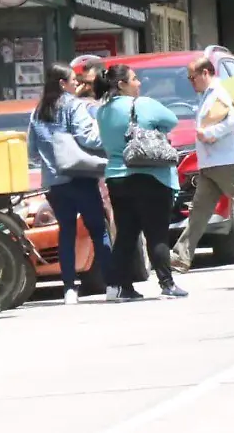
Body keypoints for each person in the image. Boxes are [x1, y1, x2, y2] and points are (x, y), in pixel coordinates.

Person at [27, 64, 116, 305]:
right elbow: (87, 136)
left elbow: (33, 152)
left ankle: (69, 289)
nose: (78, 84)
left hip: (55, 182)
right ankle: (111, 284)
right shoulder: (73, 105)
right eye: (73, 80)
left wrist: (51, 158)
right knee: (98, 230)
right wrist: (108, 137)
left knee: (66, 232)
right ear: (62, 84)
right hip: (80, 177)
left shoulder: (38, 111)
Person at [96, 64, 186, 300]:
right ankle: (167, 285)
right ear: (122, 84)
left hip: (116, 178)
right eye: (134, 79)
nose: (139, 83)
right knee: (156, 233)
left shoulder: (102, 111)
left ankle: (117, 287)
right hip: (150, 175)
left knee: (125, 234)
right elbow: (172, 120)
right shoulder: (144, 104)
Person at [171, 57, 234, 272]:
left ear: (205, 73)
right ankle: (181, 257)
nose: (191, 82)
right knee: (199, 213)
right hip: (211, 163)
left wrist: (211, 134)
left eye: (193, 77)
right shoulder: (207, 95)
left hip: (225, 161)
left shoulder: (219, 92)